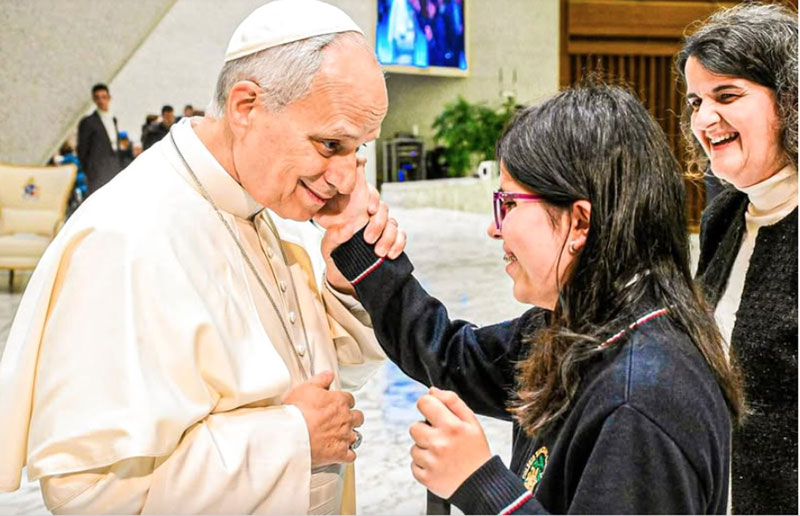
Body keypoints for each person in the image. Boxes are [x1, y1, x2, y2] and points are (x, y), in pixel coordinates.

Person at [0, 0, 403, 513]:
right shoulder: (126, 237)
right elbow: (92, 492)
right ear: (246, 107)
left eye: (359, 149)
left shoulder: (268, 199)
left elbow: (326, 373)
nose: (348, 178)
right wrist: (291, 437)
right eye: (330, 145)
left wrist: (347, 279)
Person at [323, 83, 744, 514]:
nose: (494, 228)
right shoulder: (580, 322)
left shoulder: (641, 398)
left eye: (508, 204)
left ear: (579, 221)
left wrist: (481, 484)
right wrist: (359, 247)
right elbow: (451, 356)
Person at [676, 3, 798, 514]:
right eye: (695, 101)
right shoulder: (726, 210)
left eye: (726, 96)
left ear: (790, 101)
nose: (703, 119)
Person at [76, 83, 122, 195]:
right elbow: (82, 149)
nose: (101, 101)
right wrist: (90, 170)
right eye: (97, 98)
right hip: (97, 172)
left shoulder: (113, 119)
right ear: (94, 100)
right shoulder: (88, 122)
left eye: (104, 97)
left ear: (109, 98)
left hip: (114, 167)